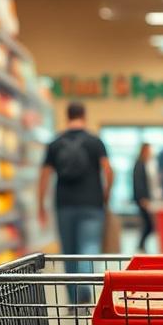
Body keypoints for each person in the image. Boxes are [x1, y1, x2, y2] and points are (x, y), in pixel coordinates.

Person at [39, 102, 111, 303]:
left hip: (64, 204)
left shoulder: (55, 143)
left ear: (67, 116)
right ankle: (86, 287)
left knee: (68, 252)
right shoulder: (95, 142)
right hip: (92, 203)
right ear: (84, 115)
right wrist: (106, 195)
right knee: (89, 246)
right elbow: (108, 170)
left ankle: (73, 297)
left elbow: (44, 175)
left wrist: (40, 205)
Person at [132, 143, 154, 252]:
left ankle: (141, 244)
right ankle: (140, 244)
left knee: (147, 223)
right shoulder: (139, 164)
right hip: (142, 199)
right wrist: (142, 198)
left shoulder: (142, 164)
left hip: (142, 199)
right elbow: (138, 183)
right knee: (148, 224)